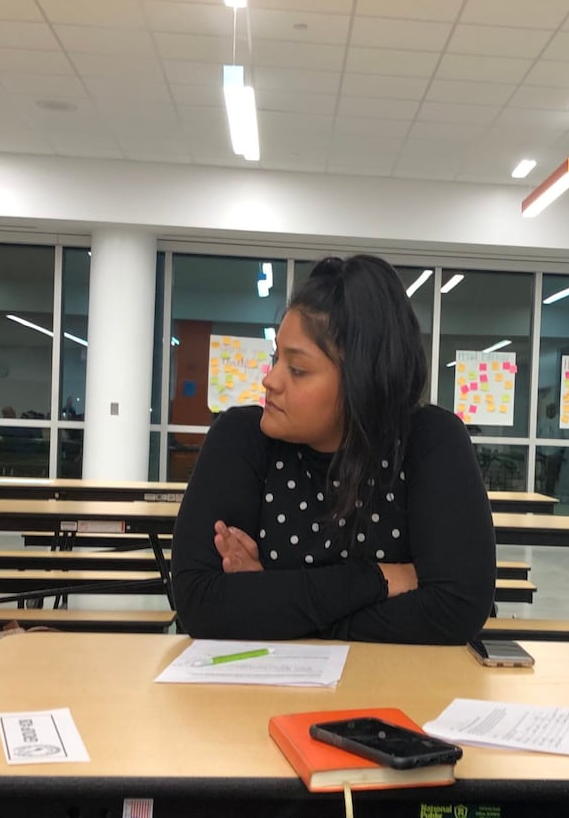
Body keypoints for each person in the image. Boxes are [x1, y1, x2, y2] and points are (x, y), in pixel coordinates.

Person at [171, 256, 495, 643]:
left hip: (408, 692)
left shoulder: (430, 441)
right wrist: (378, 579)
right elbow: (199, 605)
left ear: (363, 381)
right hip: (264, 694)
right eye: (277, 359)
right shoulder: (242, 438)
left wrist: (274, 600)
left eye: (297, 369)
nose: (269, 380)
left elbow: (455, 610)